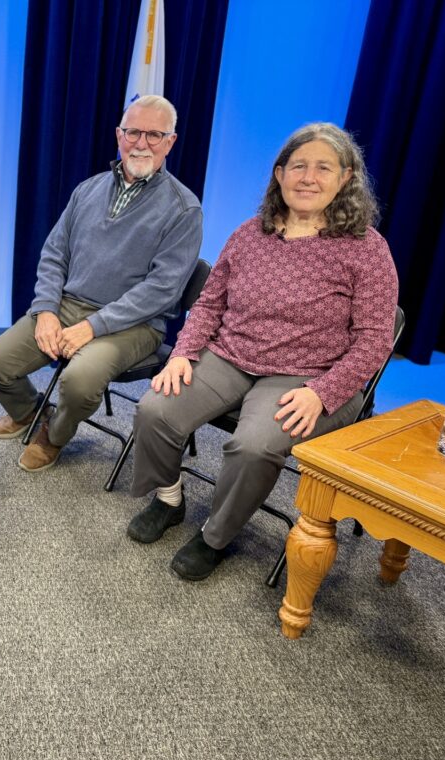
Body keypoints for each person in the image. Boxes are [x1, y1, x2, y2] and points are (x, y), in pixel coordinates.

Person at [128, 122, 399, 581]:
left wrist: (323, 392)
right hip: (231, 355)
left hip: (310, 377)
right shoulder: (250, 233)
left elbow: (375, 340)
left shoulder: (366, 250)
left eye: (323, 168)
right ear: (279, 174)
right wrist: (182, 354)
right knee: (155, 409)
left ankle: (216, 535)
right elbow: (210, 303)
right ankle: (169, 499)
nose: (308, 178)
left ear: (346, 178)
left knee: (253, 446)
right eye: (298, 166)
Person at [0, 95, 202, 472]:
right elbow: (54, 254)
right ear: (118, 135)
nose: (141, 142)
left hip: (135, 325)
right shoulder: (88, 189)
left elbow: (162, 289)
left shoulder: (184, 209)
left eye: (154, 134)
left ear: (170, 142)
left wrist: (92, 327)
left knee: (79, 382)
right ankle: (33, 411)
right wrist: (46, 310)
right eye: (133, 132)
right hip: (67, 306)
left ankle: (54, 435)